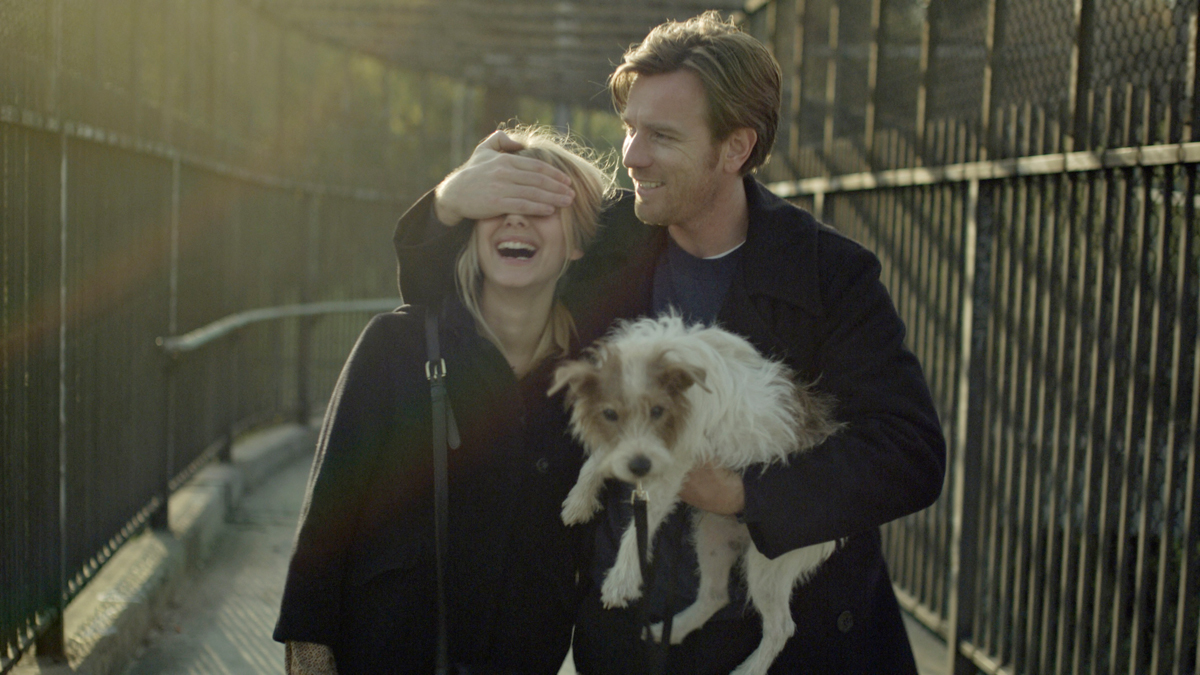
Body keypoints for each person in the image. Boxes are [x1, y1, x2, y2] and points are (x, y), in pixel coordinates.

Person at [394, 12, 946, 675]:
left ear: (735, 148)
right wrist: (448, 204)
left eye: (661, 135)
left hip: (788, 651)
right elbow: (448, 307)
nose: (630, 155)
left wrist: (739, 492)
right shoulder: (600, 245)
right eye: (631, 128)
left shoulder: (830, 273)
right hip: (623, 646)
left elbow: (909, 452)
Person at [273, 125, 614, 674]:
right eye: (497, 204)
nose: (516, 219)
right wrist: (450, 199)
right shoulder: (396, 346)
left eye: (540, 206)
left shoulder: (595, 385)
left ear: (578, 243)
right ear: (471, 234)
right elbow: (326, 524)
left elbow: (656, 223)